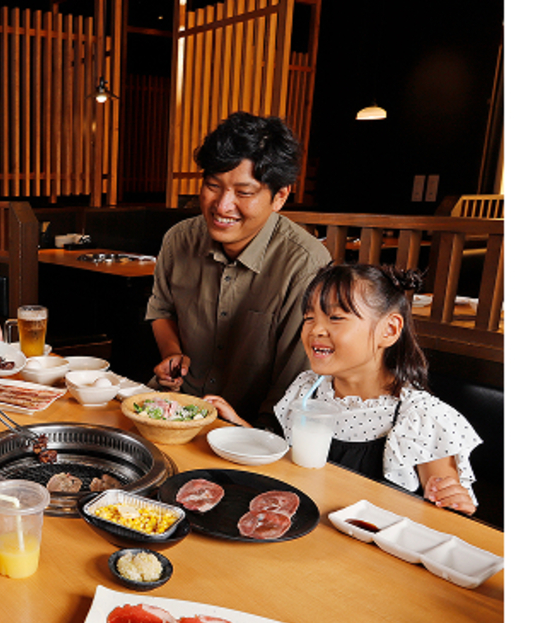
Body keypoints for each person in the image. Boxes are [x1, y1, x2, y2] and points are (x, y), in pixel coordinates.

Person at [207, 264, 482, 514]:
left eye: (336, 318)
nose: (316, 330)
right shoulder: (307, 388)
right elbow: (282, 460)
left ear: (389, 329)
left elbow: (446, 514)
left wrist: (455, 503)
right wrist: (237, 425)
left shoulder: (421, 417)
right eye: (309, 317)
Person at [146, 111, 330, 430]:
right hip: (173, 409)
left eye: (243, 193)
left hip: (249, 428)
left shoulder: (305, 263)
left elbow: (295, 382)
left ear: (280, 196)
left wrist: (249, 433)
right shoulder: (179, 240)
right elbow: (161, 309)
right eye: (213, 186)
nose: (222, 205)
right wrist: (172, 354)